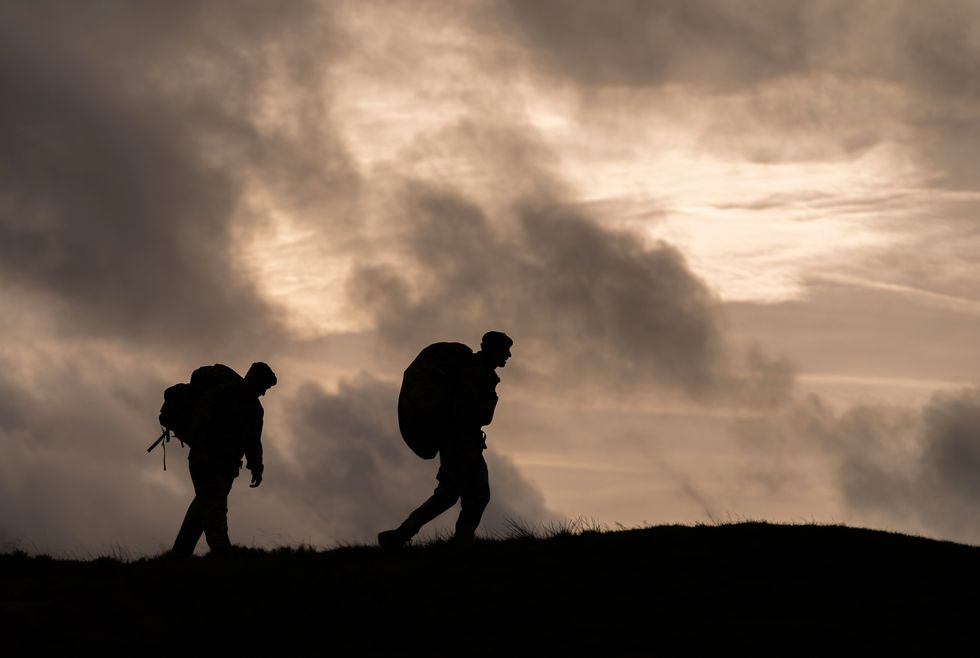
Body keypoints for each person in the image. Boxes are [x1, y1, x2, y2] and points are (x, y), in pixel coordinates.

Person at [379, 331, 513, 546]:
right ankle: (400, 535)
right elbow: (466, 410)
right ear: (492, 349)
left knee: (477, 497)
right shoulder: (475, 373)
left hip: (468, 443)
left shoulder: (481, 372)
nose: (508, 355)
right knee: (447, 496)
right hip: (460, 443)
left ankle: (461, 540)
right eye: (505, 350)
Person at [170, 361, 277, 557]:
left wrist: (256, 467)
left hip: (227, 467)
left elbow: (253, 441)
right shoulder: (220, 395)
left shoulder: (255, 409)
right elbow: (197, 426)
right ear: (252, 378)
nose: (263, 393)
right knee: (215, 508)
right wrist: (208, 451)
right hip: (206, 462)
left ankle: (179, 555)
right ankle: (222, 554)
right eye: (263, 387)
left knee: (202, 510)